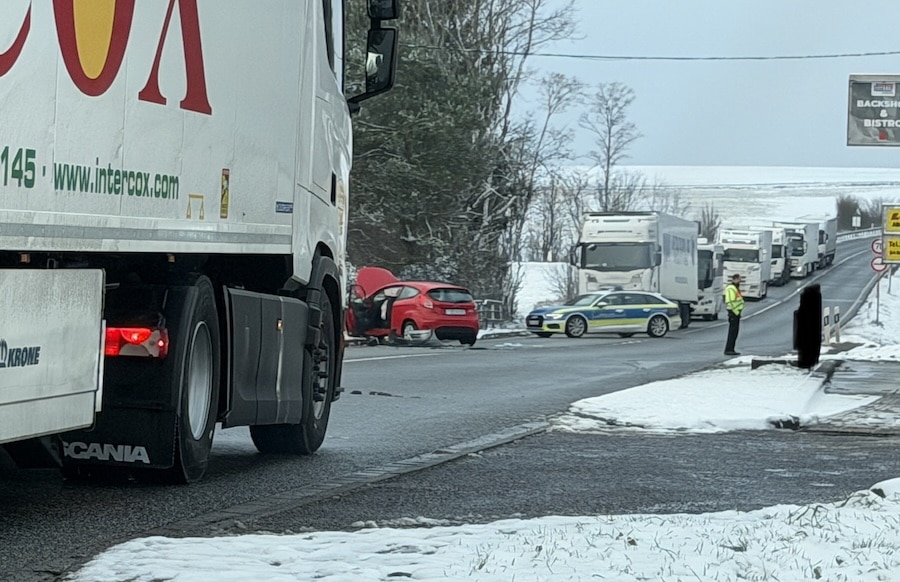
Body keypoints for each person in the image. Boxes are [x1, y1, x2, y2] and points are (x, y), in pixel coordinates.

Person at [723, 273, 745, 356]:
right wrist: (735, 312)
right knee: (732, 332)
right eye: (739, 279)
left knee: (735, 332)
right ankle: (729, 349)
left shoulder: (735, 288)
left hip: (736, 312)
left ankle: (731, 349)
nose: (740, 281)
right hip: (733, 312)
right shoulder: (731, 288)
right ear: (735, 279)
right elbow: (730, 301)